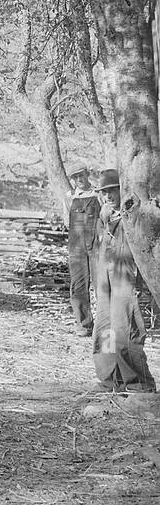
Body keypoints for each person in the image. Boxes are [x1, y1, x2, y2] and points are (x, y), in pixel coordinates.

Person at [90, 168, 155, 392]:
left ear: (121, 189)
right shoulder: (103, 216)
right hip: (105, 281)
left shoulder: (133, 213)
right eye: (103, 192)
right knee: (104, 330)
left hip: (125, 279)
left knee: (125, 329)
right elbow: (95, 245)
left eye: (112, 191)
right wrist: (104, 222)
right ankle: (110, 379)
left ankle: (138, 385)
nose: (108, 196)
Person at [65, 165, 99, 337]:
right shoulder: (69, 198)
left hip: (96, 246)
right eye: (75, 176)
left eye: (81, 175)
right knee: (78, 285)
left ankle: (104, 325)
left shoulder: (98, 194)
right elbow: (67, 223)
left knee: (102, 285)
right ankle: (84, 325)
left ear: (87, 175)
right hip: (76, 247)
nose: (79, 179)